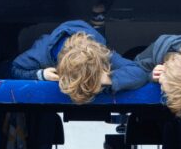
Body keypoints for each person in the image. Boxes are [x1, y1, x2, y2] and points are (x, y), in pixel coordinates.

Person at [9, 20, 149, 104]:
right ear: (61, 72)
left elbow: (140, 73)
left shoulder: (101, 55)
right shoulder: (40, 53)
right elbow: (13, 69)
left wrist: (108, 78)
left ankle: (98, 20)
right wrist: (40, 75)